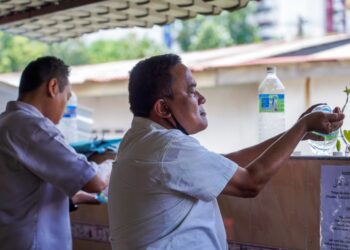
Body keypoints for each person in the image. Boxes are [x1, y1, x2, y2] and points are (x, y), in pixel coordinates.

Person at [108, 54, 344, 250]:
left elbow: (226, 166)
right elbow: (249, 182)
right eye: (191, 91)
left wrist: (298, 130)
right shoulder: (167, 148)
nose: (202, 98)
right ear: (162, 107)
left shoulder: (139, 140)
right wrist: (302, 127)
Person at [0, 56, 107, 250]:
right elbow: (95, 182)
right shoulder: (33, 127)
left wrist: (82, 198)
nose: (65, 105)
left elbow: (23, 192)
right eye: (66, 97)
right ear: (53, 87)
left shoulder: (6, 123)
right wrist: (113, 165)